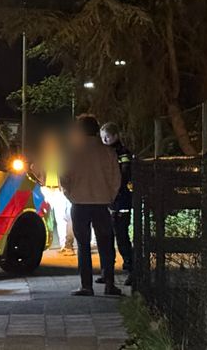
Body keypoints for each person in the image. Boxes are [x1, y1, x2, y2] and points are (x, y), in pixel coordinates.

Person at [59, 114, 122, 297]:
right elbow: (115, 178)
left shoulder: (72, 152)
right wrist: (109, 195)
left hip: (79, 203)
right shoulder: (108, 152)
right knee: (106, 244)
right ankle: (109, 283)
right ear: (96, 129)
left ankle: (86, 285)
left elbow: (64, 178)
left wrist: (70, 195)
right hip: (102, 203)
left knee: (83, 245)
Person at [99, 122, 134, 285]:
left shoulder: (122, 152)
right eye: (102, 138)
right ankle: (107, 272)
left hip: (121, 201)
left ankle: (132, 271)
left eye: (107, 137)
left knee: (121, 238)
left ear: (115, 136)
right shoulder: (105, 153)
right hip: (108, 200)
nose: (104, 140)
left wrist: (114, 190)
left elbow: (125, 174)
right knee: (106, 239)